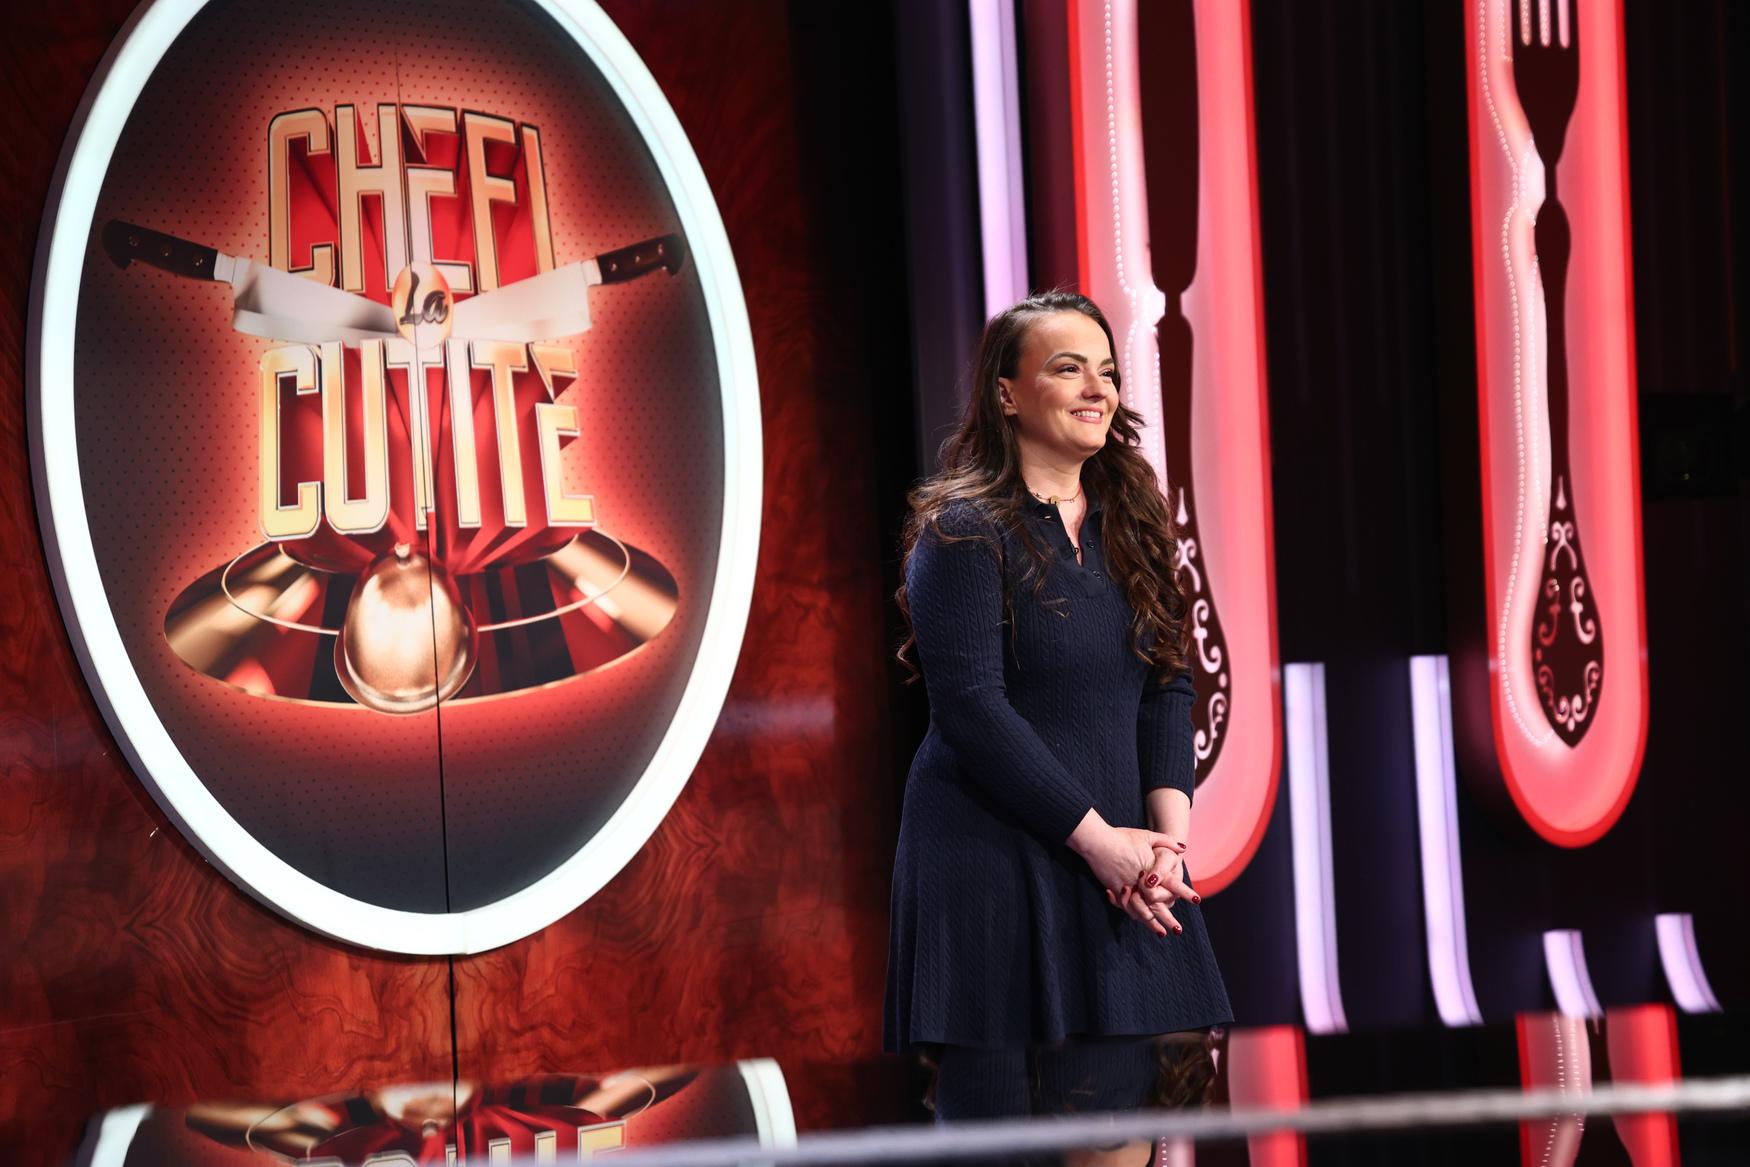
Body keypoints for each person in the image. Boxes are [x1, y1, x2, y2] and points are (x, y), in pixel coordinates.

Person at [884, 290, 1232, 1161]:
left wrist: (1164, 848)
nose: (1097, 388)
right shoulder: (962, 533)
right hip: (991, 867)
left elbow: (1168, 682)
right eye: (1068, 368)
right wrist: (1099, 843)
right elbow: (972, 710)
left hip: (1123, 871)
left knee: (1123, 1128)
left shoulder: (1133, 521)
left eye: (1106, 371)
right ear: (1006, 394)